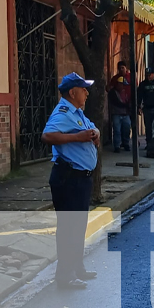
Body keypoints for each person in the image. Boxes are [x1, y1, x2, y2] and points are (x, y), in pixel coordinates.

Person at [42, 73, 100, 290]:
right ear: (72, 92)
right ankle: (64, 276)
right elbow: (47, 136)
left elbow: (92, 128)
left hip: (80, 179)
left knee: (78, 227)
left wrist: (95, 133)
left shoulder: (77, 113)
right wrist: (78, 137)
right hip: (69, 179)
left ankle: (77, 268)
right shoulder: (64, 112)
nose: (86, 92)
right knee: (69, 229)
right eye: (83, 89)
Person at [107, 61, 131, 153]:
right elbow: (114, 101)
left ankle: (126, 143)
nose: (122, 86)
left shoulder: (127, 89)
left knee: (126, 128)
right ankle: (117, 145)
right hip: (117, 112)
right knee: (117, 130)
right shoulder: (114, 92)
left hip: (126, 112)